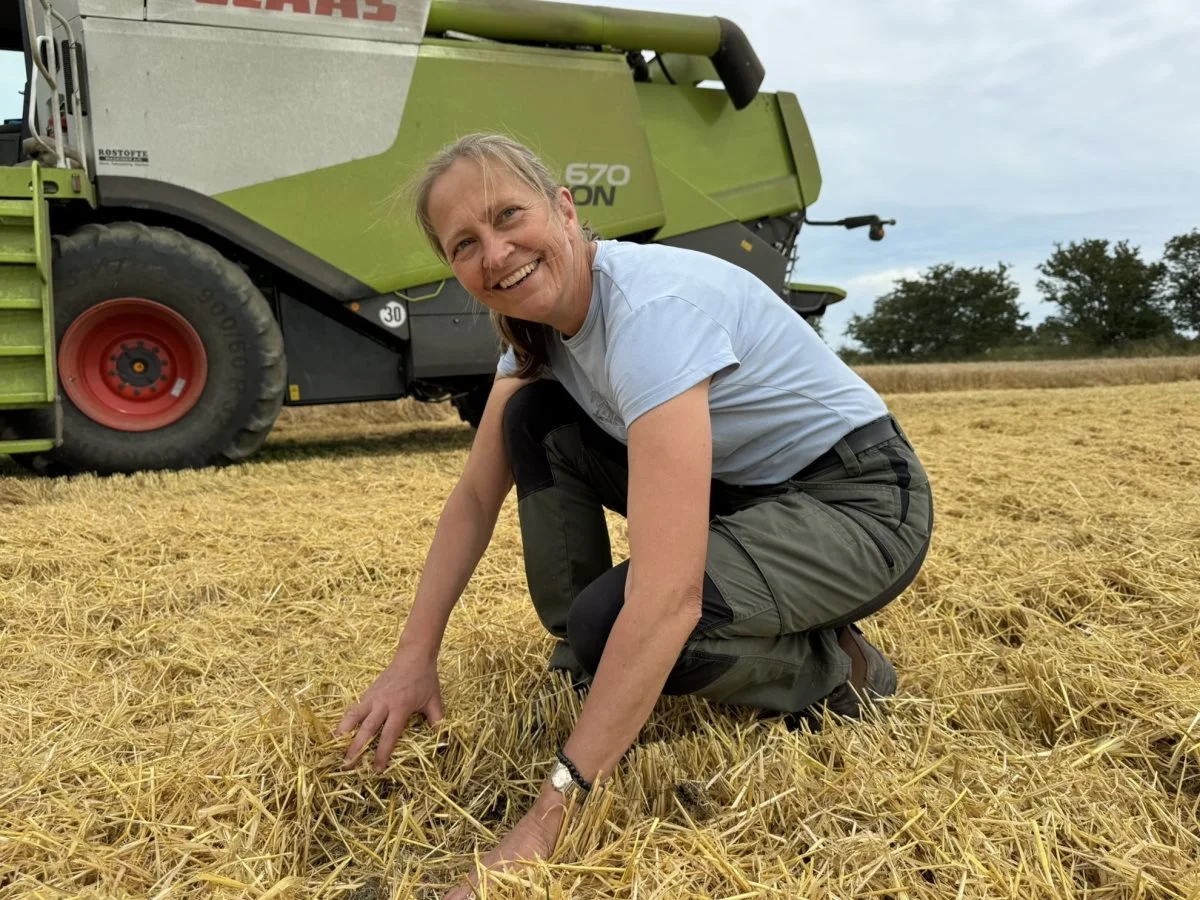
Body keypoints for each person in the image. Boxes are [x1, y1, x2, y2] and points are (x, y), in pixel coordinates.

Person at [335, 133, 934, 897]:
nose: (495, 253)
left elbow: (668, 598)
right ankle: (590, 653)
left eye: (509, 214)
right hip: (749, 492)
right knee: (534, 422)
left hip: (859, 503)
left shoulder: (650, 311)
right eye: (464, 244)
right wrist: (412, 658)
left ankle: (837, 671)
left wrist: (547, 820)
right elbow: (476, 497)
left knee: (647, 623)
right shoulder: (532, 337)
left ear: (563, 207)